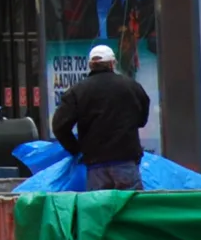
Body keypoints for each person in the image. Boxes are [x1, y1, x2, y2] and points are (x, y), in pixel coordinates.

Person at [52, 43, 151, 191]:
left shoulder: (77, 91)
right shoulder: (131, 86)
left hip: (95, 165)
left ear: (91, 65)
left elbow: (59, 126)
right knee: (132, 209)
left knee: (99, 210)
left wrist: (76, 149)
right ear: (112, 63)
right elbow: (142, 119)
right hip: (126, 161)